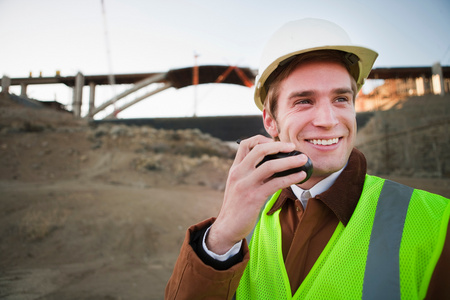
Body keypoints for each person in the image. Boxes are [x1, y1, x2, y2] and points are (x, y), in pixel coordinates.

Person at [165, 18, 450, 299]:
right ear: (270, 121)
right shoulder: (245, 218)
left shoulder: (438, 223)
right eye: (303, 101)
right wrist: (219, 241)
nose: (328, 120)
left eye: (341, 99)